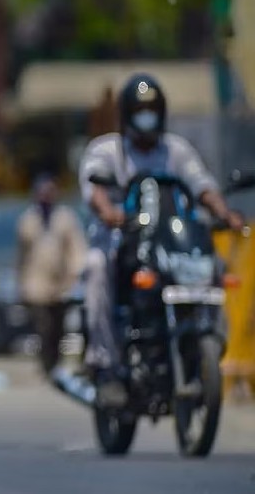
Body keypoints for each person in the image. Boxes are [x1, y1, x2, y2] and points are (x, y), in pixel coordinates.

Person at [77, 73, 243, 406]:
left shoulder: (176, 151)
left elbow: (203, 186)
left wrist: (226, 214)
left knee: (215, 267)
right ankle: (106, 366)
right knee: (95, 268)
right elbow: (94, 189)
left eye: (152, 109)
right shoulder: (108, 150)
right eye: (140, 110)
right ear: (127, 114)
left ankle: (204, 338)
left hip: (167, 246)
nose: (146, 116)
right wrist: (109, 212)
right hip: (121, 245)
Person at [16, 173, 86, 374]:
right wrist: (20, 281)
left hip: (61, 284)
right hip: (36, 283)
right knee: (43, 326)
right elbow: (22, 255)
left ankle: (55, 364)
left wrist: (75, 273)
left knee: (58, 327)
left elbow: (76, 249)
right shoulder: (28, 220)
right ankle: (46, 365)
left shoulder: (65, 218)